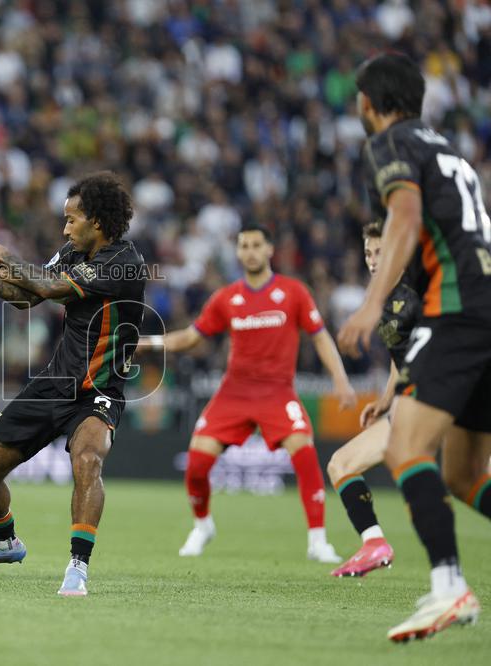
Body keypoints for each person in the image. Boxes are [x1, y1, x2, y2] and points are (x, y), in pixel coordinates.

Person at [338, 52, 491, 641]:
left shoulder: (391, 143)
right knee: (464, 471)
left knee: (406, 448)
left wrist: (373, 302)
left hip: (457, 309)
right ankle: (448, 584)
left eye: (359, 100)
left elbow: (403, 216)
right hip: (481, 306)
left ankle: (449, 589)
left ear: (371, 104)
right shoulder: (449, 149)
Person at [0, 172, 145, 596]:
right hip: (55, 381)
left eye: (71, 219)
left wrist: (6, 256)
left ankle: (78, 566)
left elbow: (46, 283)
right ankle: (5, 543)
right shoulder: (72, 252)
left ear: (96, 221)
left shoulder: (125, 263)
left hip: (100, 389)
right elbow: (26, 296)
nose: (65, 228)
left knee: (88, 458)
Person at [147, 224, 356, 563]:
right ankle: (203, 526)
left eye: (257, 245)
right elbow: (190, 337)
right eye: (244, 246)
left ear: (270, 249)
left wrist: (341, 380)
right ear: (239, 252)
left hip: (277, 393)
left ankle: (318, 541)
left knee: (304, 455)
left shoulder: (293, 292)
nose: (250, 251)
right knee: (197, 466)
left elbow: (319, 336)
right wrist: (148, 343)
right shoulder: (227, 298)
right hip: (234, 392)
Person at [326, 222, 420, 577]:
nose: (373, 260)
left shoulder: (422, 291)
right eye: (368, 252)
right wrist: (385, 399)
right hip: (413, 403)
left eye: (381, 251)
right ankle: (374, 543)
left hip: (449, 401)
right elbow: (402, 358)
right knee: (341, 464)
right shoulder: (381, 299)